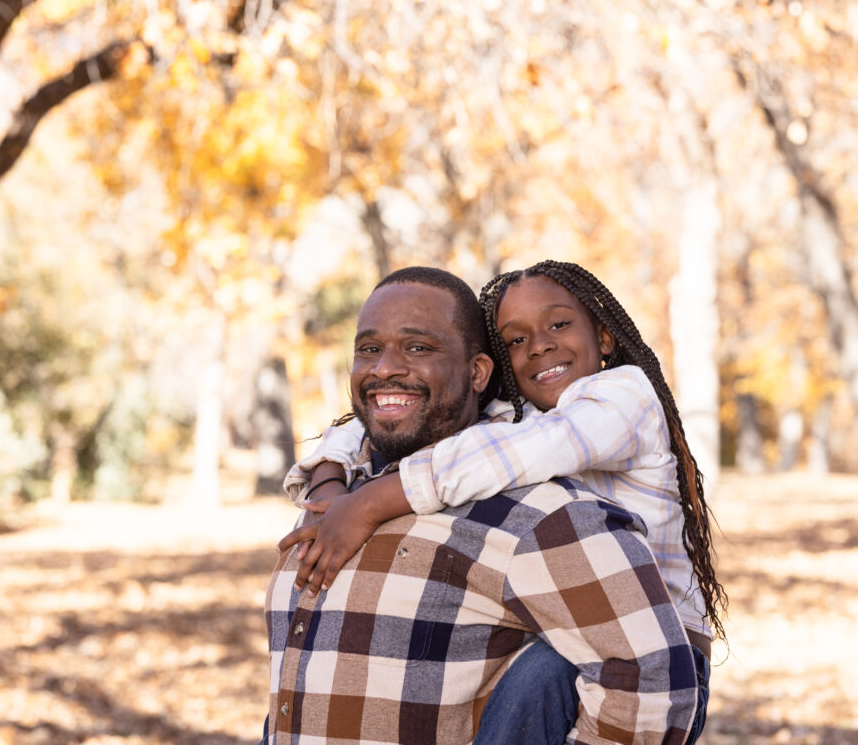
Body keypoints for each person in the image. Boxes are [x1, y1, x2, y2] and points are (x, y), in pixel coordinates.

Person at [283, 261, 725, 741]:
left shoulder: (622, 399)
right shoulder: (530, 414)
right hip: (575, 629)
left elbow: (526, 450)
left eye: (559, 324)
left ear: (604, 337)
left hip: (667, 646)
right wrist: (328, 482)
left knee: (540, 672)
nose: (539, 345)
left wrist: (372, 502)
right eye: (516, 340)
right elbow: (366, 418)